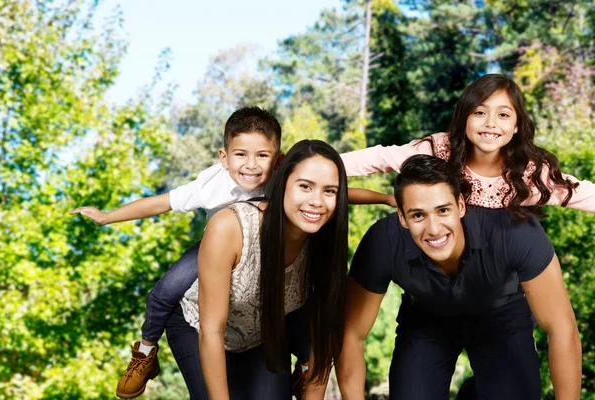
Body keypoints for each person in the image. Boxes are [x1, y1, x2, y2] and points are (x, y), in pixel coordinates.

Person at [70, 107, 390, 399]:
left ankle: (298, 372)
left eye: (262, 156)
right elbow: (162, 202)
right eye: (241, 155)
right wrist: (108, 216)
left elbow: (345, 192)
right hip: (216, 275)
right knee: (168, 286)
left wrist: (387, 199)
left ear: (277, 162)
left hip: (263, 326)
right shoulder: (215, 191)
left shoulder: (314, 224)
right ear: (224, 157)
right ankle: (145, 350)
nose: (251, 166)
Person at [336, 155, 582, 399]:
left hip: (502, 317)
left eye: (443, 210)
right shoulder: (383, 241)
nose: (434, 229)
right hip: (427, 321)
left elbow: (562, 328)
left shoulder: (515, 231)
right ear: (402, 217)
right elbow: (351, 334)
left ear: (461, 205)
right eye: (418, 215)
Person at [167, 140, 349, 399]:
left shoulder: (325, 240)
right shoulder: (231, 227)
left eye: (329, 191)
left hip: (264, 332)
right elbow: (212, 330)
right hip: (201, 329)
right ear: (282, 182)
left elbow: (322, 341)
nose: (317, 201)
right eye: (305, 186)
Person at [341, 74, 595, 218]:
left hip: (503, 279)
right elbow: (380, 158)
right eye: (479, 112)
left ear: (517, 125)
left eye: (504, 115)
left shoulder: (531, 173)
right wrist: (322, 165)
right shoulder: (439, 150)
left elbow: (584, 194)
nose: (490, 124)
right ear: (465, 118)